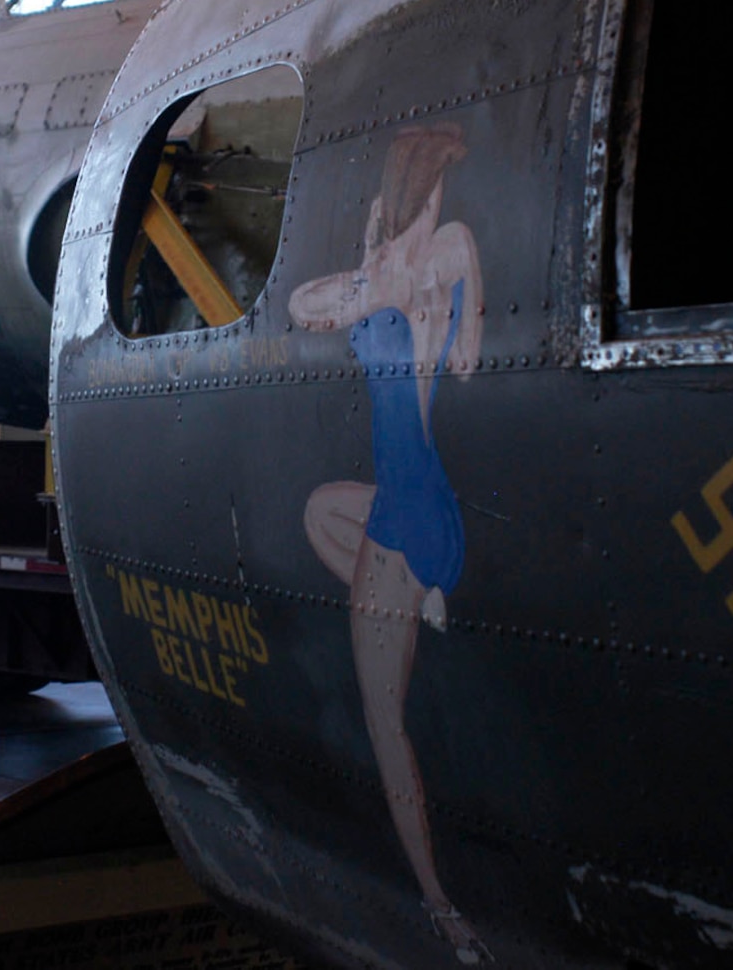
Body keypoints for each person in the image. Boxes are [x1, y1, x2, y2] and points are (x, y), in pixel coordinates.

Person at [288, 121, 485, 964]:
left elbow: (453, 339)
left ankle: (439, 908)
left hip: (411, 525)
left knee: (384, 721)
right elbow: (305, 305)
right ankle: (420, 600)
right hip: (417, 513)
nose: (438, 206)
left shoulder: (433, 261)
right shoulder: (401, 270)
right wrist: (374, 268)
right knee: (321, 515)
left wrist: (383, 281)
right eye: (433, 190)